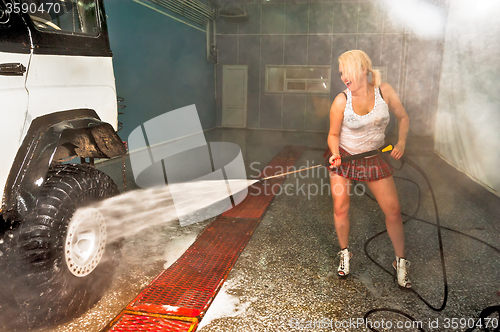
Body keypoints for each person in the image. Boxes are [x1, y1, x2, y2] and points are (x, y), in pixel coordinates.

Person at [326, 50, 411, 289]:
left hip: (374, 157)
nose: (343, 76)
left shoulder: (385, 91)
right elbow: (333, 134)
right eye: (341, 72)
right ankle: (345, 253)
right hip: (344, 157)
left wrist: (402, 142)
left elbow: (403, 117)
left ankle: (400, 262)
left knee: (393, 210)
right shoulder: (341, 100)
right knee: (340, 207)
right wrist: (335, 153)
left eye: (347, 71)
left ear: (363, 69)